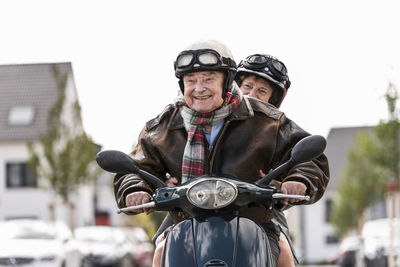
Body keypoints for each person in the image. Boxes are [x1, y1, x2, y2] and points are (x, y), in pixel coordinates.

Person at [113, 39, 330, 267]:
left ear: (227, 81)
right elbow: (137, 167)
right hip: (185, 222)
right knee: (159, 253)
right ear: (182, 84)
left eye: (208, 79)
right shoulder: (162, 127)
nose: (199, 88)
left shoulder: (267, 121)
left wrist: (299, 179)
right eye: (191, 80)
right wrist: (135, 188)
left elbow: (309, 156)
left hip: (253, 220)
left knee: (283, 253)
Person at [235, 53, 296, 267]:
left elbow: (303, 162)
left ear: (273, 98)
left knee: (283, 253)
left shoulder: (279, 129)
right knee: (163, 248)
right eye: (247, 86)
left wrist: (290, 183)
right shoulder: (208, 118)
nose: (252, 94)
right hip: (196, 210)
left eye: (262, 91)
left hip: (260, 212)